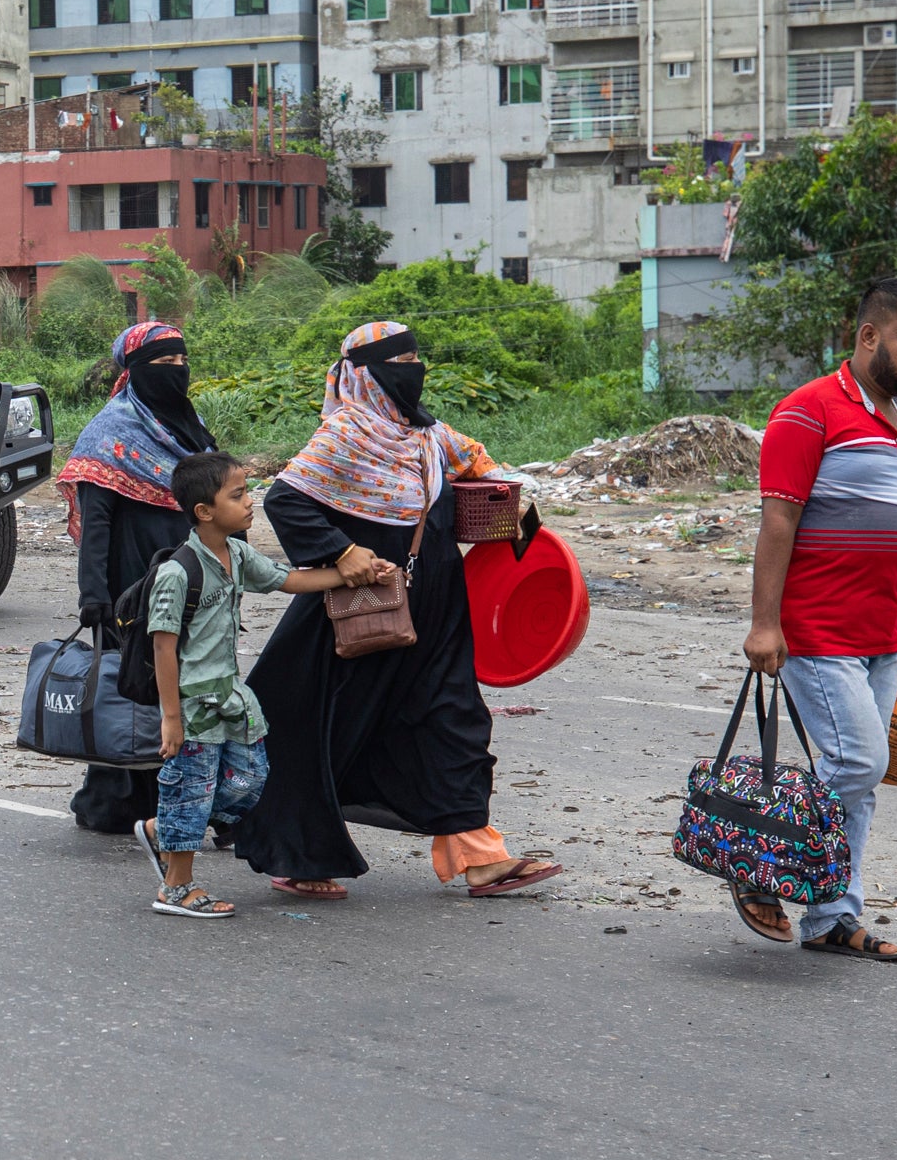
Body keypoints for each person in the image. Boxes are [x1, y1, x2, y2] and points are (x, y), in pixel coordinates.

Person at [234, 322, 566, 901]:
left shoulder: (429, 435)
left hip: (436, 607)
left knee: (454, 718)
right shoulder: (344, 435)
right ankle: (288, 848)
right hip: (361, 609)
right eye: (401, 360)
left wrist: (519, 515)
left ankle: (479, 854)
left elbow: (481, 469)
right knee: (325, 725)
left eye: (417, 357)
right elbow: (284, 498)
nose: (413, 369)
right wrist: (341, 550)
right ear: (368, 374)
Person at [735, 277, 897, 960]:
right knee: (859, 760)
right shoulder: (807, 410)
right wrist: (765, 624)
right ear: (869, 336)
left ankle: (831, 920)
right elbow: (778, 519)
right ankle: (758, 859)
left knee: (861, 782)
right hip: (820, 631)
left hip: (881, 635)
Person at [140, 451, 391, 918]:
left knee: (248, 782)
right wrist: (171, 719)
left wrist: (350, 574)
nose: (250, 502)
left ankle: (165, 827)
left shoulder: (236, 553)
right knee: (193, 791)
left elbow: (288, 579)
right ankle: (175, 888)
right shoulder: (179, 573)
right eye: (238, 495)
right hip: (194, 706)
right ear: (204, 512)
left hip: (231, 699)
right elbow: (163, 649)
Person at [54, 319, 216, 833]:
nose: (176, 373)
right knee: (132, 693)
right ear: (134, 370)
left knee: (189, 688)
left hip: (189, 579)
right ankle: (114, 803)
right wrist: (93, 595)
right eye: (163, 365)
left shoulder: (188, 426)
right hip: (130, 586)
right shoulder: (111, 431)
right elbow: (96, 521)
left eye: (180, 363)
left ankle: (179, 798)